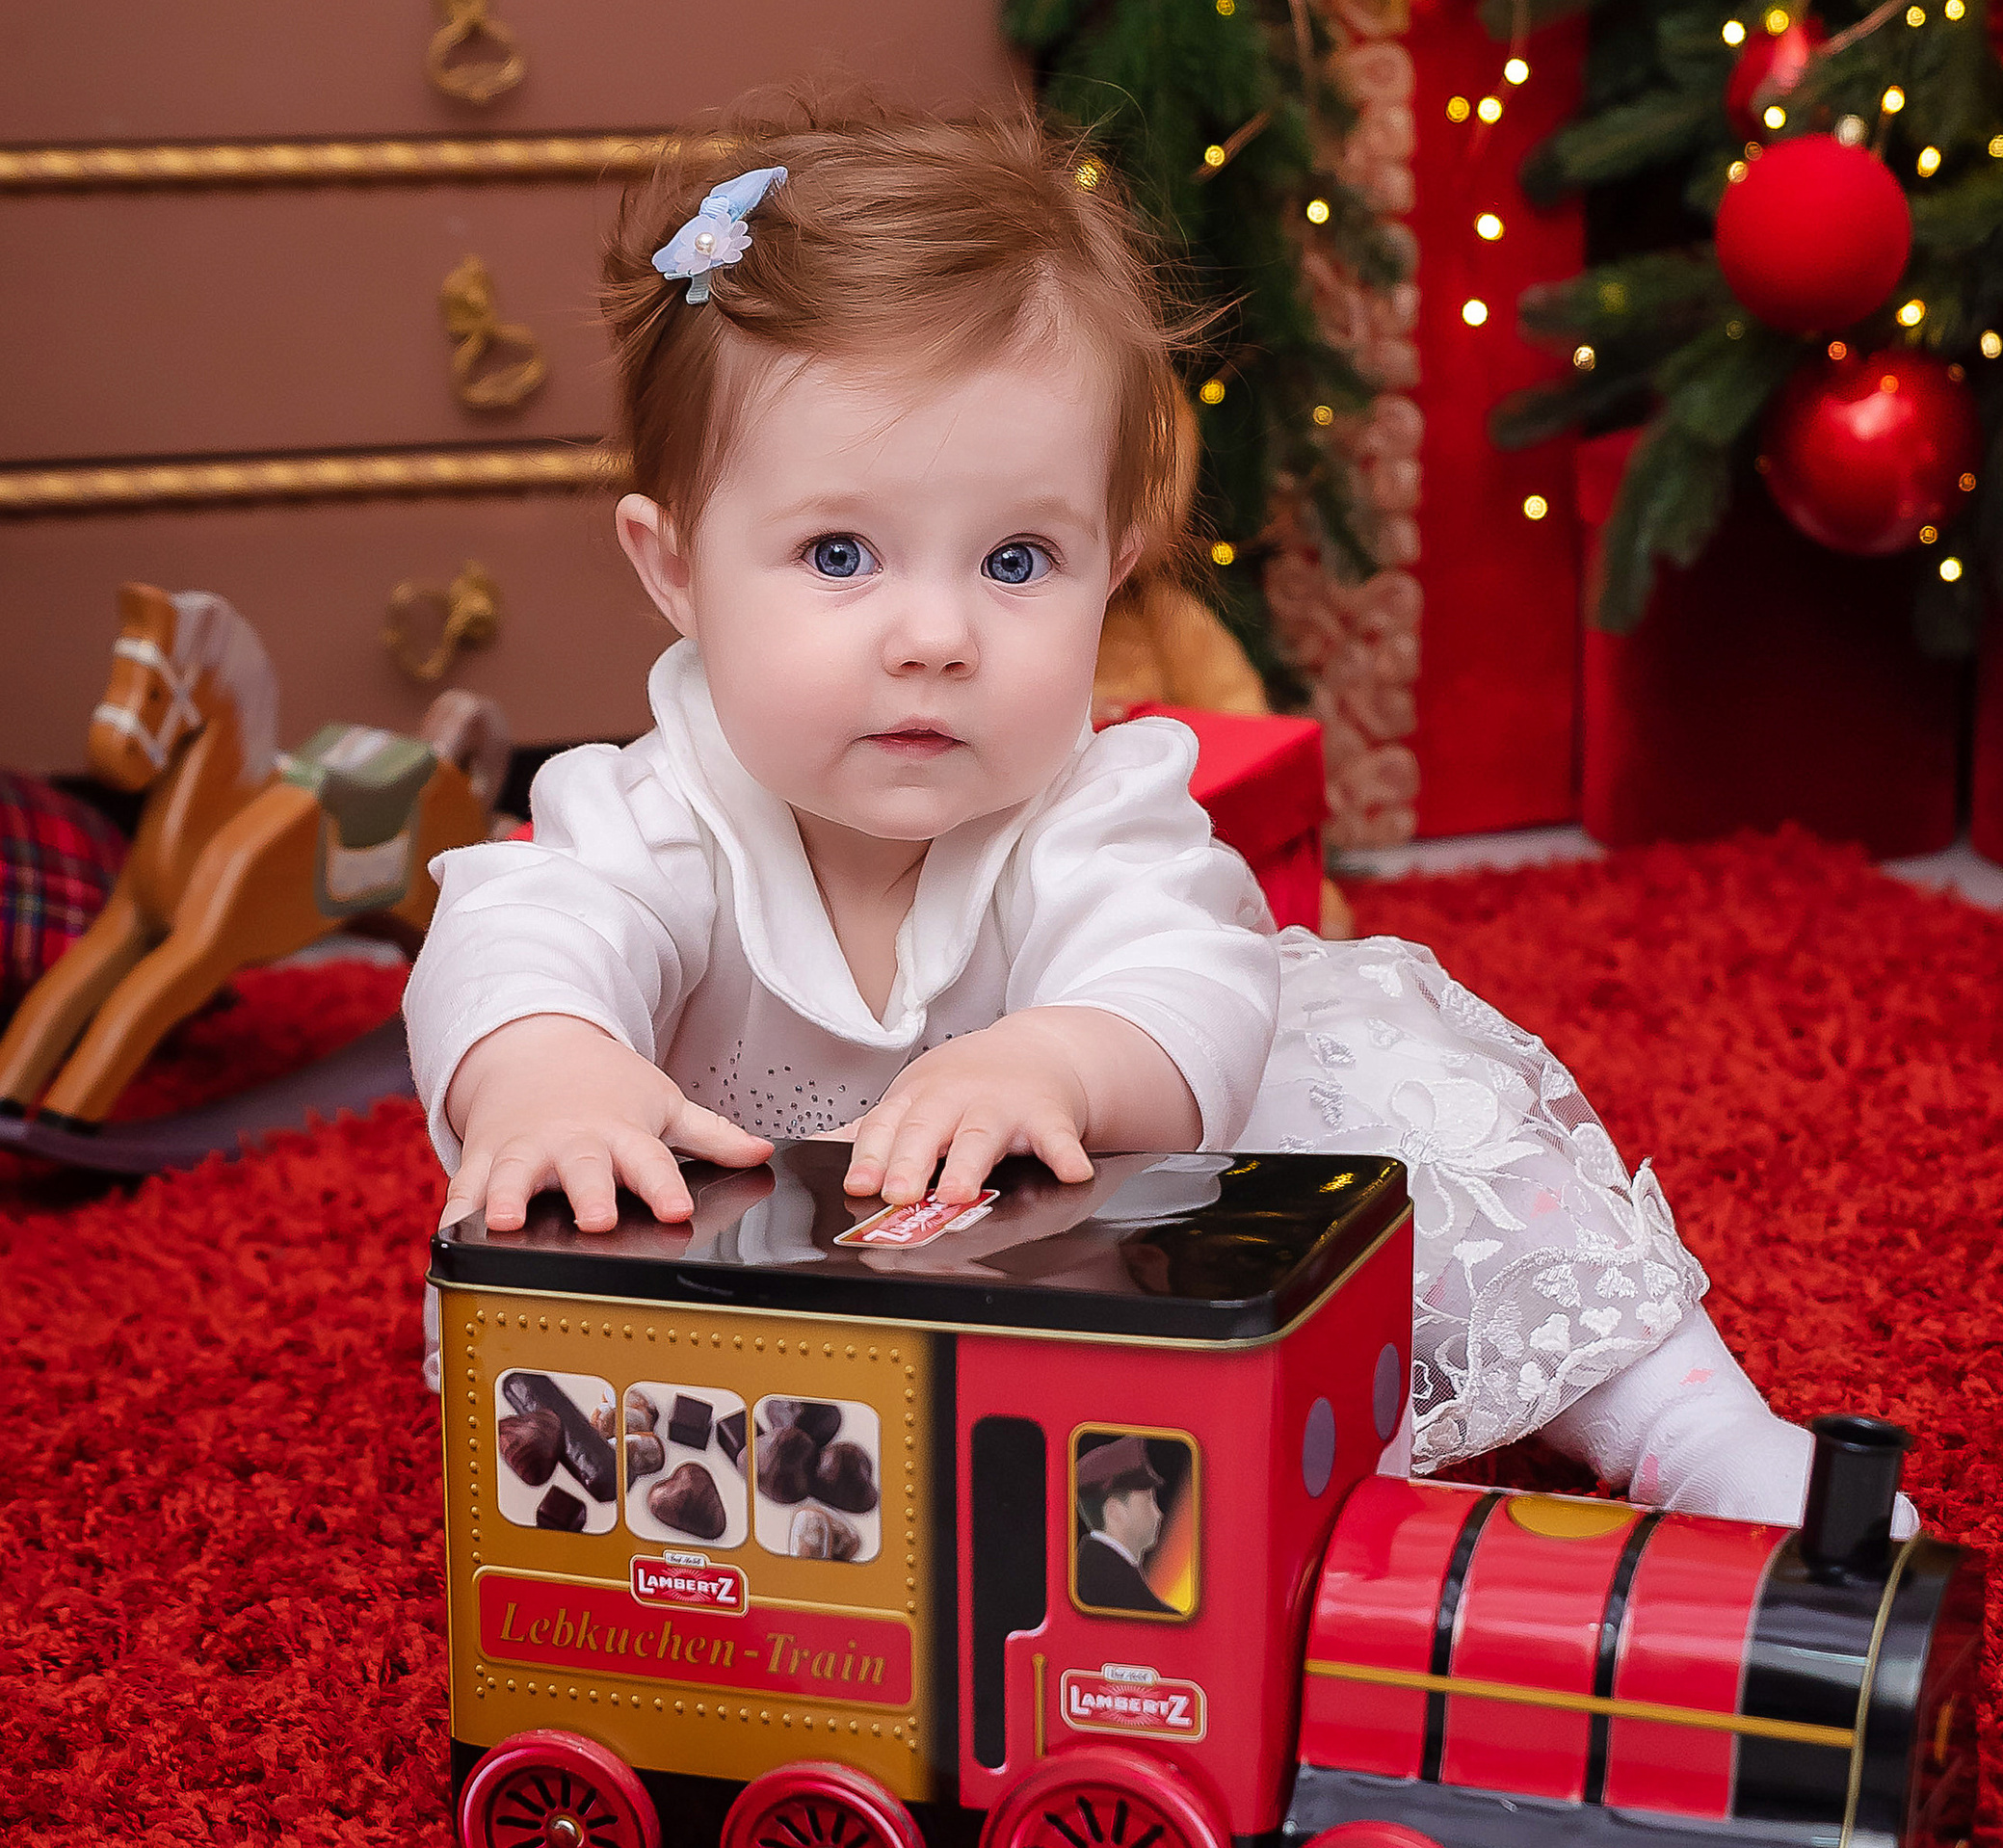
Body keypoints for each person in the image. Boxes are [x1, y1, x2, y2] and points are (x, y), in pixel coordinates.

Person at [408, 101, 1910, 1527]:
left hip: (1104, 1225)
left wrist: (1057, 1060)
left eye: (1016, 561)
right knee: (582, 1242)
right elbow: (520, 925)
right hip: (773, 1283)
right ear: (675, 566)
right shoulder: (649, 808)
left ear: (1113, 566)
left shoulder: (1094, 802)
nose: (934, 636)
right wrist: (545, 1072)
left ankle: (1685, 1423)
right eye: (841, 553)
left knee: (1395, 1111)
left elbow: (1179, 972)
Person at [1072, 1437, 1175, 1616]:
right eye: (1148, 1502)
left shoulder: (1089, 1572)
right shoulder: (1110, 1586)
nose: (1158, 1514)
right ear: (1115, 1512)